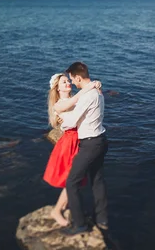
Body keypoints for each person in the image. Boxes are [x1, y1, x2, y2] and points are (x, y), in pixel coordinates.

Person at [43, 73, 100, 226]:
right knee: (72, 180)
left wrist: (96, 85)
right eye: (64, 82)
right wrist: (88, 86)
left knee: (75, 180)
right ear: (57, 87)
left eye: (68, 80)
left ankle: (64, 206)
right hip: (69, 143)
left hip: (80, 140)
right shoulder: (59, 104)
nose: (68, 83)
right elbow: (76, 100)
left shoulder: (76, 100)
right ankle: (57, 210)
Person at [61, 61, 108, 235]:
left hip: (90, 143)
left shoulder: (88, 96)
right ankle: (102, 220)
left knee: (71, 182)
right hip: (101, 140)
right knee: (97, 181)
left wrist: (61, 122)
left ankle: (80, 224)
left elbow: (72, 121)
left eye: (72, 79)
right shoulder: (97, 92)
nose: (72, 82)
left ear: (79, 77)